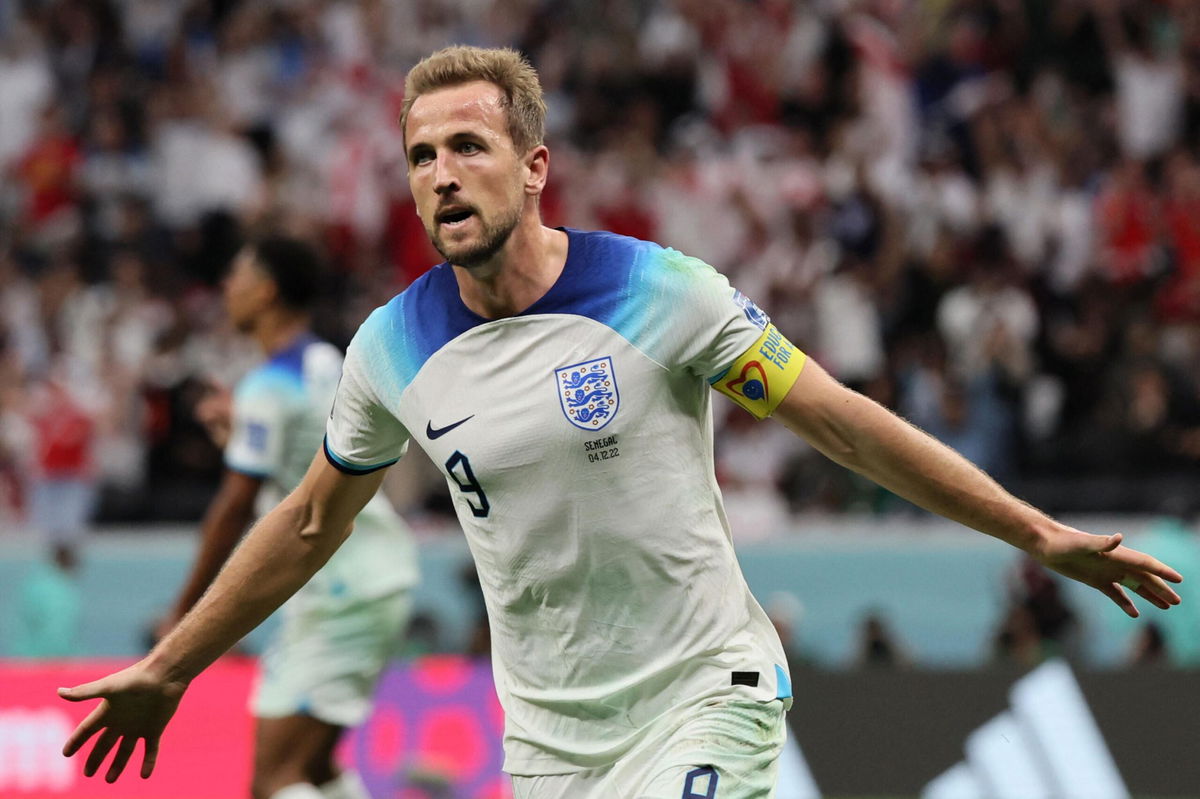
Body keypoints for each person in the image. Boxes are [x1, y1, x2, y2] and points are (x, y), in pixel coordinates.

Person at [59, 46, 1184, 797]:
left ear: (534, 166)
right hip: (549, 745)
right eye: (420, 157)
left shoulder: (661, 292)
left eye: (468, 147)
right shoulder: (390, 349)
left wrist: (1036, 532)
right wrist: (172, 665)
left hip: (706, 694)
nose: (442, 176)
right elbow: (307, 522)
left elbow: (843, 424)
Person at [153, 236, 419, 799]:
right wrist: (242, 427)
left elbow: (229, 513)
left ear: (266, 291)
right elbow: (313, 457)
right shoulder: (326, 359)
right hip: (378, 574)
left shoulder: (267, 388)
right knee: (315, 768)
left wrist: (182, 613)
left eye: (238, 275)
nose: (227, 287)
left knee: (272, 780)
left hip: (339, 592)